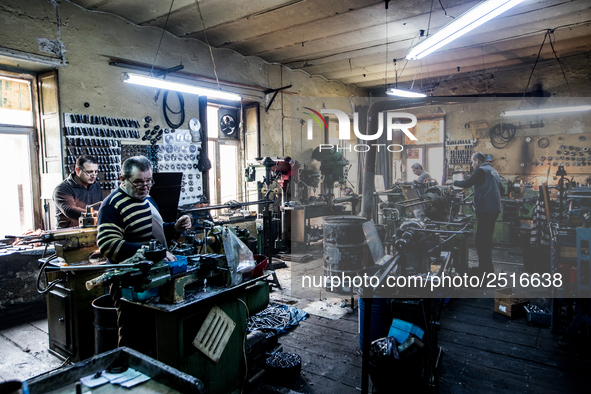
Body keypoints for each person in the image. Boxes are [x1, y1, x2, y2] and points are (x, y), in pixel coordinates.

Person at [97, 156, 191, 263]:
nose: (145, 187)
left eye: (148, 181)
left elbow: (155, 230)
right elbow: (108, 246)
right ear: (123, 180)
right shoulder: (112, 206)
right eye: (138, 182)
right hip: (129, 273)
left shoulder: (148, 199)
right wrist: (147, 250)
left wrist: (174, 227)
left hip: (153, 268)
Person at [451, 152, 501, 274]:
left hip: (486, 209)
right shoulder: (493, 171)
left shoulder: (481, 171)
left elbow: (467, 183)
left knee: (481, 241)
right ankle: (487, 268)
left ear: (477, 160)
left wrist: (452, 182)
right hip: (494, 209)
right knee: (486, 240)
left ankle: (484, 269)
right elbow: (502, 189)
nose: (472, 165)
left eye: (473, 162)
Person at [53, 155, 103, 228]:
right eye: (89, 172)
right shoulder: (62, 189)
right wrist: (96, 214)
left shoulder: (95, 186)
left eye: (96, 172)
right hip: (69, 234)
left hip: (91, 230)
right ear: (77, 170)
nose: (93, 175)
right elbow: (69, 210)